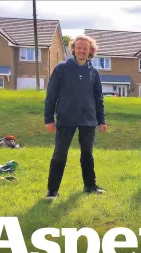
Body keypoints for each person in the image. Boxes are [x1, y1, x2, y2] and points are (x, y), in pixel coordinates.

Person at [44, 35, 107, 200]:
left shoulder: (93, 72)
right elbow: (51, 94)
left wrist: (101, 120)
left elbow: (98, 98)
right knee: (60, 154)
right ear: (73, 49)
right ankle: (52, 191)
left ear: (90, 51)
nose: (81, 51)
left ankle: (90, 186)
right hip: (66, 118)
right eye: (79, 47)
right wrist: (49, 119)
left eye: (85, 48)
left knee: (87, 154)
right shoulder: (61, 68)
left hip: (88, 119)